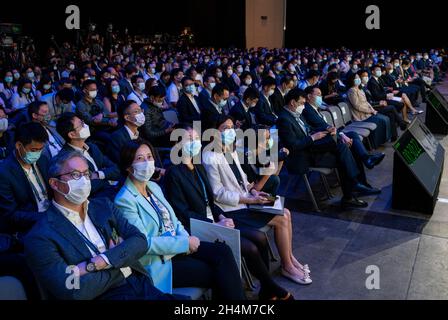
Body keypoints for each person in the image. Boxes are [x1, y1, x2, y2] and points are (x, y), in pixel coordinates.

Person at [24, 151, 177, 300]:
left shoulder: (104, 206)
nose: (84, 181)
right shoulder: (39, 236)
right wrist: (121, 265)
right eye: (76, 175)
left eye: (86, 174)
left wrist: (97, 263)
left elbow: (140, 241)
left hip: (140, 283)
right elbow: (72, 290)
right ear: (55, 184)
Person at [164, 125, 293, 300]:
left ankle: (266, 288)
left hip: (216, 219)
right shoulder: (174, 173)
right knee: (251, 247)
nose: (195, 143)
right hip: (198, 227)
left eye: (196, 139)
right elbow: (182, 213)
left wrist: (222, 216)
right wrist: (214, 224)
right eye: (189, 140)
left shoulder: (197, 166)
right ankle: (272, 287)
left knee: (261, 238)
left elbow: (210, 201)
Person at [114, 140, 246, 299]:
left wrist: (186, 239)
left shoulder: (154, 187)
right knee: (218, 272)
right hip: (160, 260)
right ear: (128, 167)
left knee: (223, 251)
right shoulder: (124, 200)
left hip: (179, 245)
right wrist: (184, 244)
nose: (147, 162)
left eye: (149, 157)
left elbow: (174, 220)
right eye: (140, 159)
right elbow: (144, 243)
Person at [203, 115, 312, 285]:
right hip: (230, 210)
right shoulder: (210, 156)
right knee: (282, 217)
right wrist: (249, 199)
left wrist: (253, 192)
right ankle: (287, 266)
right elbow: (218, 194)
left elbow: (242, 179)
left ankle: (289, 258)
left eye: (232, 127)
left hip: (246, 200)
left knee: (287, 212)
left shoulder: (229, 150)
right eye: (225, 128)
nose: (230, 131)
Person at [277, 88, 377, 209]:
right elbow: (293, 146)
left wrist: (327, 130)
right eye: (302, 103)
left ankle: (352, 190)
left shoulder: (294, 113)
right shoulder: (284, 119)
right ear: (293, 102)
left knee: (344, 149)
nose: (303, 106)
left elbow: (308, 128)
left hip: (311, 148)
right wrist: (313, 138)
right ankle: (352, 188)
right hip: (303, 156)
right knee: (343, 153)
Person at [56, 113, 121, 200]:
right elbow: (88, 187)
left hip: (111, 190)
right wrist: (107, 176)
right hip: (97, 199)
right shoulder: (67, 158)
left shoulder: (92, 147)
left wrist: (99, 174)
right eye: (81, 124)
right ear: (72, 134)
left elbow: (116, 169)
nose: (85, 125)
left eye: (83, 122)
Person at [0, 122, 50, 235]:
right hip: (30, 226)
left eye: (40, 149)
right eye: (33, 150)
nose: (37, 153)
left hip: (52, 215)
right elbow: (10, 214)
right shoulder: (4, 173)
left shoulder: (43, 160)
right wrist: (44, 217)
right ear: (18, 145)